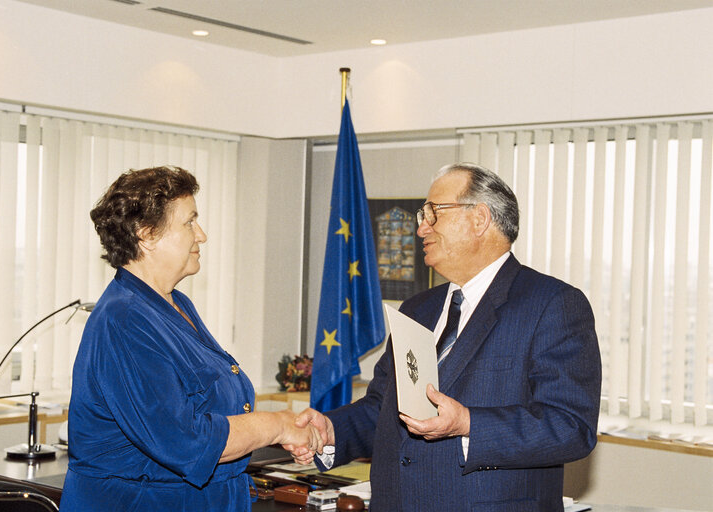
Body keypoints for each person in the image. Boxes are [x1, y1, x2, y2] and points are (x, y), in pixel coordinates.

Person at [289, 163, 602, 511]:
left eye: (433, 212)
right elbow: (384, 406)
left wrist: (468, 424)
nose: (421, 227)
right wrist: (332, 429)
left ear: (479, 218)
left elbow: (571, 428)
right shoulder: (417, 308)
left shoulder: (552, 304)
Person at [61, 166, 320, 511]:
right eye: (189, 222)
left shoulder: (175, 303)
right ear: (147, 234)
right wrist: (278, 426)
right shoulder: (124, 319)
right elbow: (185, 441)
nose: (202, 234)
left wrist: (285, 427)